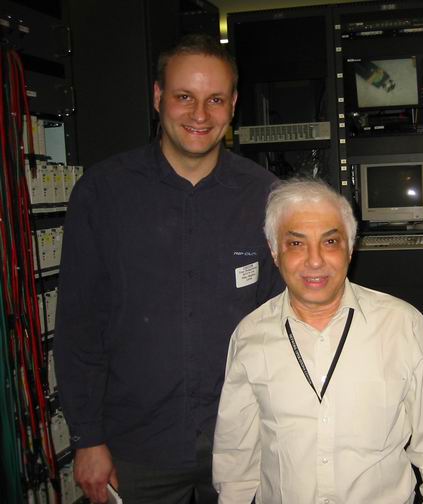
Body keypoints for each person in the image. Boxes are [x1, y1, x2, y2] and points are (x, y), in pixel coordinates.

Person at [54, 34, 284, 504]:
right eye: (184, 96)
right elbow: (78, 326)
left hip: (243, 444)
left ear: (233, 104)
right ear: (158, 97)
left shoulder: (266, 197)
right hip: (136, 450)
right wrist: (86, 438)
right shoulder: (103, 193)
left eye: (215, 99)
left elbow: (285, 321)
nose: (200, 114)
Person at [212, 178, 423, 503]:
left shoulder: (402, 325)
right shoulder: (249, 336)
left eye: (330, 242)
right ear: (274, 252)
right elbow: (236, 462)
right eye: (296, 243)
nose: (315, 261)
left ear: (350, 248)